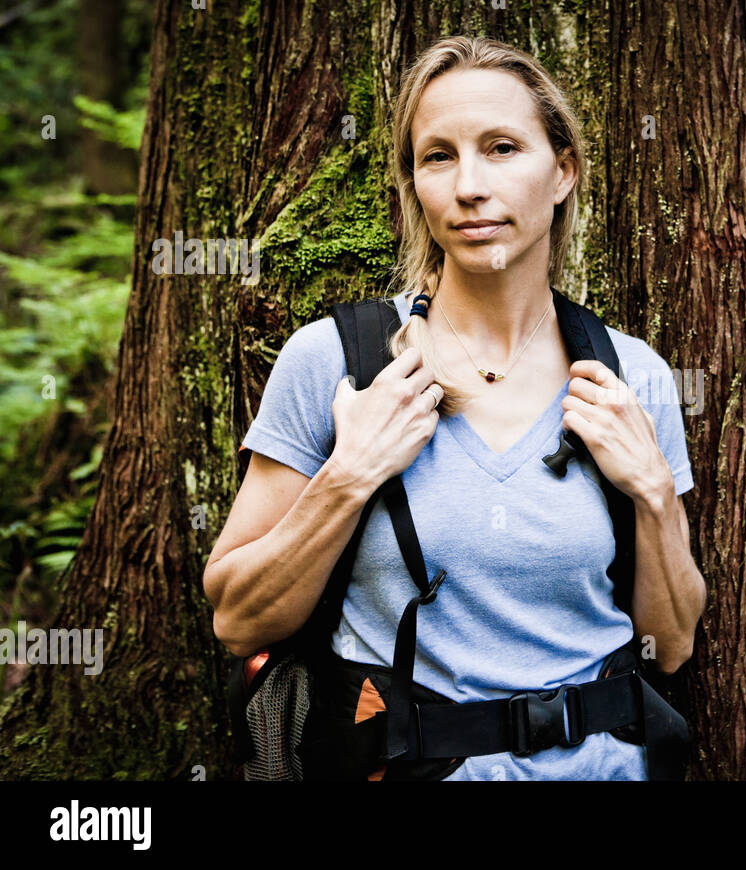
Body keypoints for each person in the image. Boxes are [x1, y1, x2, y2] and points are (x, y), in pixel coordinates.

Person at [202, 36, 706, 780]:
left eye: (502, 148)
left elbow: (673, 644)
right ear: (414, 183)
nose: (469, 185)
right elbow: (237, 621)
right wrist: (350, 475)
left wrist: (655, 495)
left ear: (562, 170)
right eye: (438, 156)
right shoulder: (337, 363)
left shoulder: (630, 377)